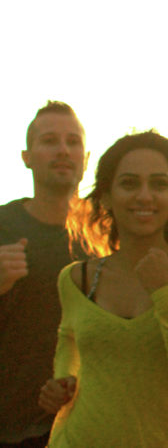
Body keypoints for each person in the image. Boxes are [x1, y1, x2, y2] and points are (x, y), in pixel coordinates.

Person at [37, 130, 168, 447]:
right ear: (107, 196)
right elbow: (66, 358)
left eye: (158, 184)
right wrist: (58, 388)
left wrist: (165, 291)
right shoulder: (74, 280)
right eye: (129, 183)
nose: (144, 195)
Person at [0, 101, 88, 448]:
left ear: (87, 155)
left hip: (89, 426)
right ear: (26, 156)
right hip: (10, 430)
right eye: (50, 141)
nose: (64, 150)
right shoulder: (3, 226)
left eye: (73, 141)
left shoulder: (110, 235)